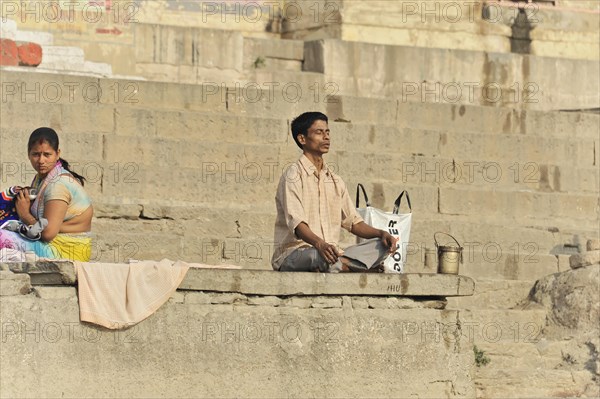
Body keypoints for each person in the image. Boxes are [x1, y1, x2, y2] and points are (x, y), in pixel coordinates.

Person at [271, 112, 397, 272]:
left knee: (382, 246)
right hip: (297, 254)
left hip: (332, 254)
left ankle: (345, 265)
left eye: (327, 132)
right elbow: (298, 224)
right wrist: (319, 244)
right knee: (316, 256)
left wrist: (381, 233)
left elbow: (354, 223)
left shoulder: (335, 180)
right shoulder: (293, 176)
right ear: (302, 139)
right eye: (319, 132)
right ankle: (354, 266)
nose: (326, 137)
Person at [0, 127, 94, 261]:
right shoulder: (41, 178)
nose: (41, 160)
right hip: (52, 243)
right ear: (28, 154)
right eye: (36, 154)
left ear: (57, 154)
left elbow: (48, 233)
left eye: (47, 154)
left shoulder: (58, 184)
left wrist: (25, 215)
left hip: (67, 251)